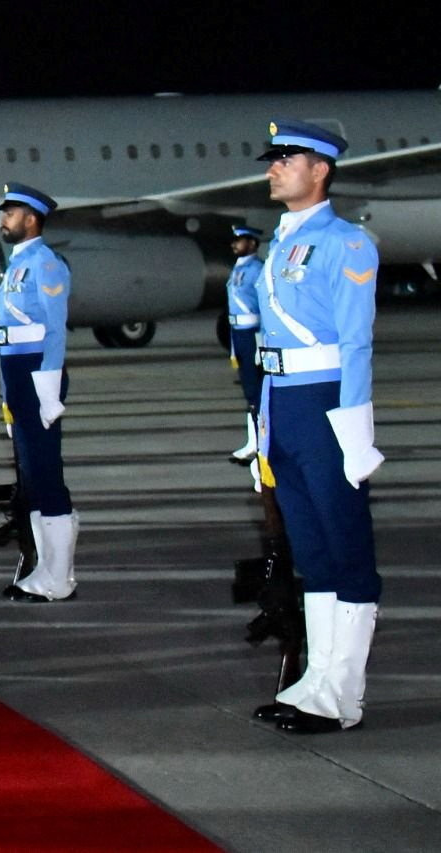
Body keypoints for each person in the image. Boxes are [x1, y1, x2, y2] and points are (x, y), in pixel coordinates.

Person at [248, 120, 383, 735]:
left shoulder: (345, 243)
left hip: (329, 407)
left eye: (285, 158)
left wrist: (356, 433)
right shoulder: (281, 242)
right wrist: (262, 433)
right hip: (286, 408)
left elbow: (355, 343)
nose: (273, 168)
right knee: (312, 552)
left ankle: (344, 695)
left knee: (347, 548)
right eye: (272, 159)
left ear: (321, 169)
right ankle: (317, 682)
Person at [0, 183, 77, 604]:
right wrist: (10, 398)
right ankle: (46, 568)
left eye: (11, 213)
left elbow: (55, 329)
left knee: (45, 473)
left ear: (32, 218)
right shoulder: (15, 263)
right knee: (32, 475)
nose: (3, 220)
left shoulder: (45, 264)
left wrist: (48, 387)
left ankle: (59, 577)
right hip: (18, 374)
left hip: (37, 372)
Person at [226, 224, 266, 465]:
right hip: (239, 334)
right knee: (249, 391)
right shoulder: (239, 269)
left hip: (252, 334)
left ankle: (260, 443)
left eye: (240, 240)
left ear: (252, 243)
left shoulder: (258, 270)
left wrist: (262, 340)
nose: (235, 243)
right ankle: (253, 441)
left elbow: (264, 305)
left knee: (256, 392)